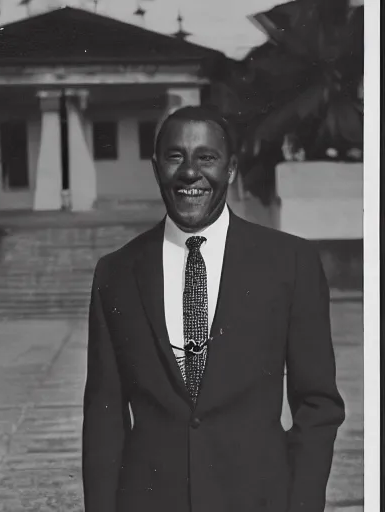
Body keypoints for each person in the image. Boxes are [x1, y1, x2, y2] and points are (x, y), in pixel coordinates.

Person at [82, 105, 345, 512]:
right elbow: (103, 418)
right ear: (156, 169)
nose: (190, 172)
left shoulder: (290, 263)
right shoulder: (115, 274)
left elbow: (318, 406)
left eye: (207, 157)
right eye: (175, 156)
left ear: (231, 168)